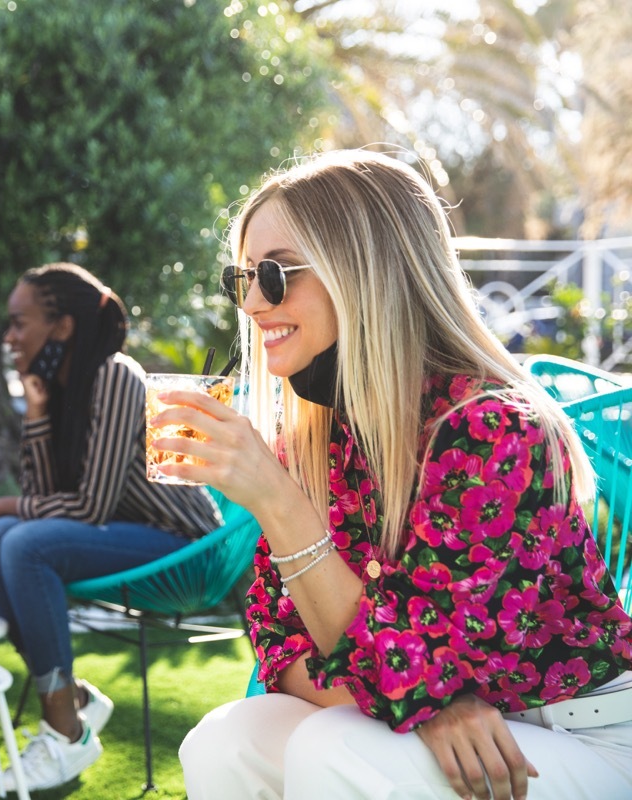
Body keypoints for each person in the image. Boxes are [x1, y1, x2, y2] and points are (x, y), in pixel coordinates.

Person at [162, 149, 632, 799]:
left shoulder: (488, 426)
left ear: (363, 271)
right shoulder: (319, 435)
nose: (252, 304)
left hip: (583, 738)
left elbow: (409, 669)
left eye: (272, 274)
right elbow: (280, 649)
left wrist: (274, 497)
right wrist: (419, 697)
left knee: (338, 749)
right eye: (240, 279)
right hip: (449, 728)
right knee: (228, 739)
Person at [0, 263, 221, 792]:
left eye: (19, 322)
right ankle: (72, 697)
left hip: (185, 548)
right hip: (126, 537)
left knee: (20, 540)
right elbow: (48, 495)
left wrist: (6, 504)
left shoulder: (114, 375)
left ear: (61, 327)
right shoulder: (58, 389)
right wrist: (37, 412)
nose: (8, 337)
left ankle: (66, 731)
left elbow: (89, 508)